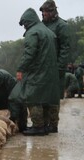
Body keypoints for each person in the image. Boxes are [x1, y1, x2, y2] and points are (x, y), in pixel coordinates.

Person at [16, 8, 59, 136]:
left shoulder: (33, 32)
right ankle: (47, 125)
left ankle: (38, 126)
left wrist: (21, 69)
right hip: (51, 70)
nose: (24, 27)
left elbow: (29, 53)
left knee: (32, 97)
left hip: (38, 70)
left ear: (28, 22)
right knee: (46, 97)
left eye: (24, 24)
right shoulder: (49, 32)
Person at [40, 0, 70, 132]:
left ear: (53, 11)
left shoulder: (61, 26)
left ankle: (53, 125)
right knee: (42, 96)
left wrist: (59, 68)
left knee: (53, 97)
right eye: (43, 11)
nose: (44, 14)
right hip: (42, 67)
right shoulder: (41, 25)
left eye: (47, 11)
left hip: (56, 67)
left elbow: (65, 48)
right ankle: (44, 123)